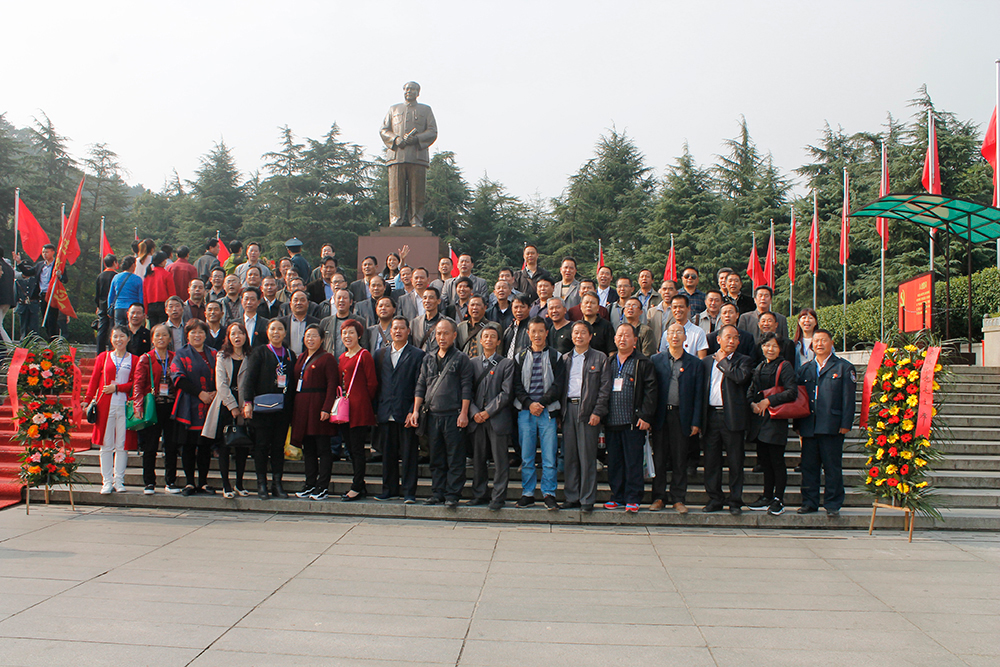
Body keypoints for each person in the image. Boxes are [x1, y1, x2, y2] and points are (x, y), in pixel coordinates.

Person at [407, 318, 475, 507]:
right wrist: (415, 411)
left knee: (455, 457)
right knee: (436, 457)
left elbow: (467, 387)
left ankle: (452, 494)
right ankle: (437, 492)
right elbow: (421, 385)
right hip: (432, 415)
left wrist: (464, 413)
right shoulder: (428, 358)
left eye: (446, 333)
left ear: (454, 335)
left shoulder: (461, 359)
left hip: (453, 415)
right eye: (438, 333)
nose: (442, 337)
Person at [794, 328, 856, 517]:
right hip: (809, 426)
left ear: (831, 343)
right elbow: (799, 399)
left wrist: (846, 423)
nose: (819, 344)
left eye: (823, 340)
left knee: (832, 467)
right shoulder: (805, 369)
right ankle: (809, 502)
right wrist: (798, 425)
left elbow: (848, 399)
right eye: (816, 341)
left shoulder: (844, 368)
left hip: (832, 426)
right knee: (809, 467)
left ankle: (833, 504)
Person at [650, 323, 705, 514]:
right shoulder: (655, 360)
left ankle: (678, 498)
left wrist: (696, 421)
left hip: (682, 415)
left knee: (680, 458)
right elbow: (650, 390)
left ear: (685, 337)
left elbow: (699, 395)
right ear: (666, 337)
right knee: (659, 459)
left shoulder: (695, 363)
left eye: (679, 332)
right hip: (660, 416)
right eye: (671, 332)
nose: (675, 336)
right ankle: (658, 497)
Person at [512, 317, 566, 510]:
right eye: (533, 331)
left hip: (547, 411)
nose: (537, 335)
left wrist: (541, 403)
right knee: (527, 456)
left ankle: (549, 493)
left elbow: (558, 385)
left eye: (541, 331)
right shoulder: (519, 357)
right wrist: (529, 404)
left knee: (549, 457)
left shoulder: (556, 357)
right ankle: (527, 493)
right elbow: (516, 386)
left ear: (546, 333)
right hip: (525, 412)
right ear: (528, 333)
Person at [603, 323, 657, 513]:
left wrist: (645, 415)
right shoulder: (608, 362)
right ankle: (617, 496)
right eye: (619, 335)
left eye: (627, 335)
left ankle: (633, 497)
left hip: (633, 422)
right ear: (614, 339)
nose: (622, 339)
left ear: (635, 340)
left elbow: (651, 390)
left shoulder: (643, 362)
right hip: (611, 421)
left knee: (633, 462)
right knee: (614, 462)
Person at [701, 325, 753, 515]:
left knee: (735, 461)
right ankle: (715, 498)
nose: (731, 341)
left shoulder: (744, 360)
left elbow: (740, 378)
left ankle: (735, 501)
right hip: (711, 416)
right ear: (718, 339)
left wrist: (723, 361)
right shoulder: (706, 362)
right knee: (711, 461)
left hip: (733, 416)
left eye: (735, 338)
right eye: (728, 337)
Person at [560, 320, 612, 512]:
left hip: (588, 411)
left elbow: (605, 388)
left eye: (583, 332)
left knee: (587, 457)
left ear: (590, 336)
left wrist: (598, 411)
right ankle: (572, 496)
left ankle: (587, 499)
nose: (579, 336)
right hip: (568, 409)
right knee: (570, 456)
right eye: (575, 332)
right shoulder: (564, 358)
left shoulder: (600, 358)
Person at [746, 332, 800, 516]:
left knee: (777, 461)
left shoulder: (785, 366)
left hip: (776, 420)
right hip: (760, 420)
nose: (770, 349)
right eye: (767, 345)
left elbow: (792, 391)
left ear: (780, 348)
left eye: (774, 346)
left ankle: (779, 499)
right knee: (765, 461)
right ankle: (766, 496)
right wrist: (752, 404)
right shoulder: (760, 366)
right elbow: (751, 390)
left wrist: (768, 401)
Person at [374, 316, 426, 503]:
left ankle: (409, 492)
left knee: (409, 454)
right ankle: (389, 489)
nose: (397, 331)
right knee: (387, 454)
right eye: (394, 328)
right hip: (385, 411)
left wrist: (414, 409)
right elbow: (376, 384)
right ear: (390, 331)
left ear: (408, 331)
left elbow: (420, 385)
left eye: (401, 328)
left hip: (406, 412)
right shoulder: (380, 354)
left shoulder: (418, 355)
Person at [243, 319, 295, 499]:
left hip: (283, 409)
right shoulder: (259, 352)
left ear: (285, 333)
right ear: (267, 332)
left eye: (280, 329)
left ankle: (277, 484)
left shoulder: (290, 354)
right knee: (262, 446)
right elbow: (249, 379)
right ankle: (262, 484)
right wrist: (247, 402)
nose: (276, 332)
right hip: (262, 408)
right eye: (273, 329)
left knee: (278, 447)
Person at [196, 322, 249, 498]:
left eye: (240, 333)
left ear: (246, 336)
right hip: (225, 406)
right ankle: (226, 485)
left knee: (242, 446)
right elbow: (221, 384)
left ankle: (239, 484)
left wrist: (245, 404)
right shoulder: (222, 356)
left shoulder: (251, 356)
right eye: (233, 333)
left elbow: (252, 382)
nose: (237, 336)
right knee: (224, 446)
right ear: (228, 337)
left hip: (245, 406)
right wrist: (232, 406)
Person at [290, 324, 341, 501]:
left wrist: (327, 408)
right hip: (302, 407)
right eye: (307, 336)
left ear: (322, 339)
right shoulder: (301, 357)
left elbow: (332, 385)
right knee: (308, 448)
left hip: (318, 406)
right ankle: (310, 483)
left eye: (314, 336)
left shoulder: (327, 358)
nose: (310, 339)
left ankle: (322, 486)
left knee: (323, 448)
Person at [467, 323, 515, 509]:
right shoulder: (472, 363)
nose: (489, 339)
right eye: (485, 336)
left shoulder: (506, 364)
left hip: (497, 419)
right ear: (480, 341)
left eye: (493, 336)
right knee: (479, 460)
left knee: (500, 461)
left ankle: (498, 497)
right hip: (477, 420)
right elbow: (467, 391)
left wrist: (488, 412)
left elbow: (506, 393)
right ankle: (479, 494)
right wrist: (474, 412)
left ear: (498, 341)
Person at [85, 325, 138, 494]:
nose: (118, 340)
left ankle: (119, 480)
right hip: (105, 406)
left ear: (128, 338)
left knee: (122, 444)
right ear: (111, 339)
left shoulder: (134, 360)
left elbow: (136, 384)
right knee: (106, 444)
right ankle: (106, 481)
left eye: (122, 336)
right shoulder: (104, 357)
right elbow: (94, 380)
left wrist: (118, 388)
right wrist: (87, 399)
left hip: (125, 406)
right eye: (115, 336)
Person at [380, 81, 438, 227]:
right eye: (406, 89)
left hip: (417, 156)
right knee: (396, 191)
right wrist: (396, 139)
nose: (408, 91)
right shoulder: (393, 109)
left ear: (418, 92)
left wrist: (417, 139)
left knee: (417, 192)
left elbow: (432, 131)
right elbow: (384, 130)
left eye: (412, 89)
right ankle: (396, 219)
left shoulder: (426, 110)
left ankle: (416, 220)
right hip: (396, 156)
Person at [170, 319, 218, 496]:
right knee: (188, 445)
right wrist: (200, 393)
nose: (197, 335)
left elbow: (222, 375)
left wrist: (214, 392)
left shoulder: (214, 353)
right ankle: (190, 482)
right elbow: (178, 378)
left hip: (210, 404)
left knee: (205, 445)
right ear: (187, 335)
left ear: (206, 334)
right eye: (193, 332)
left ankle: (203, 482)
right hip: (189, 404)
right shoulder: (181, 354)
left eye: (201, 332)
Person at [132, 323, 178, 495]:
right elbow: (138, 383)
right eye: (157, 335)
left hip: (171, 406)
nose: (161, 338)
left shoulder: (175, 357)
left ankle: (170, 481)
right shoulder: (146, 358)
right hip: (153, 406)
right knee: (150, 445)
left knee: (171, 446)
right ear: (152, 339)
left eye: (164, 335)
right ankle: (149, 482)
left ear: (170, 338)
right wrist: (138, 405)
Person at [338, 319, 378, 501]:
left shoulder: (364, 355)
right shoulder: (342, 357)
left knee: (357, 449)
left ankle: (356, 486)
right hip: (345, 409)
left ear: (359, 335)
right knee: (350, 448)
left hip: (359, 409)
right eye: (344, 333)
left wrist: (362, 400)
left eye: (351, 333)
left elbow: (372, 383)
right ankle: (360, 484)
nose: (347, 336)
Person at [659, 294, 708, 359]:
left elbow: (702, 358)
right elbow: (662, 357)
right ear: (671, 309)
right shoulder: (667, 333)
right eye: (675, 307)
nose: (678, 310)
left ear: (688, 308)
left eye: (681, 307)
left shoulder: (698, 332)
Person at [279, 289, 320, 355]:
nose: (299, 303)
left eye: (302, 300)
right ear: (290, 304)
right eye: (295, 300)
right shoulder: (282, 322)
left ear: (308, 303)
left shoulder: (316, 323)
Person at [319, 289, 356, 358]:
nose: (341, 300)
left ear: (351, 302)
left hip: (352, 360)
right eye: (339, 298)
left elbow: (364, 344)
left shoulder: (358, 321)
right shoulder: (325, 322)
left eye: (345, 298)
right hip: (330, 361)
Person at [142, 251, 176, 326]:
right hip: (163, 306)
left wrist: (146, 310)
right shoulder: (167, 274)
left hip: (151, 306)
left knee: (153, 329)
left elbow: (145, 295)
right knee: (164, 328)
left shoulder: (147, 275)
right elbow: (172, 294)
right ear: (162, 262)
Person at [107, 256, 143, 327]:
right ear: (133, 265)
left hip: (118, 307)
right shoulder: (138, 279)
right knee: (131, 328)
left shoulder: (116, 277)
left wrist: (109, 307)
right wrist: (142, 309)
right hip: (132, 308)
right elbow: (141, 296)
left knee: (119, 329)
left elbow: (111, 295)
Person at [95, 254, 118, 353]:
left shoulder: (100, 276)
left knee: (102, 329)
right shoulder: (116, 276)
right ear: (114, 263)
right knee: (113, 329)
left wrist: (97, 306)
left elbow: (97, 293)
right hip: (113, 306)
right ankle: (112, 351)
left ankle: (100, 352)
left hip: (102, 305)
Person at [411, 286, 445, 354]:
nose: (427, 301)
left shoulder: (447, 322)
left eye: (431, 298)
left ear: (438, 301)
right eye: (425, 298)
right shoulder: (414, 322)